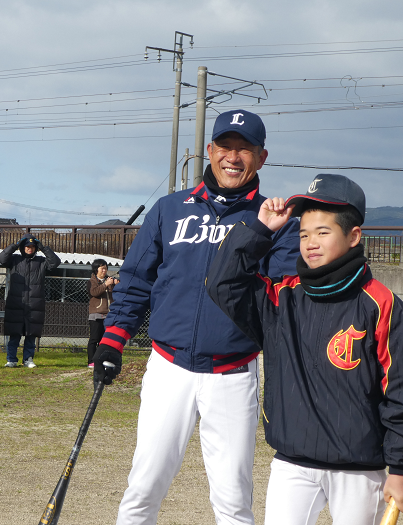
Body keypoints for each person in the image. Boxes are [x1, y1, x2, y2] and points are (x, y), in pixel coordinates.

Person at [93, 109, 300, 525]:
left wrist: (259, 233)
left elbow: (280, 300)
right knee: (143, 488)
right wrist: (113, 339)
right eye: (225, 146)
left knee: (233, 501)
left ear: (262, 158)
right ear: (210, 151)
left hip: (233, 372)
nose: (233, 157)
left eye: (245, 149)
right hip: (169, 367)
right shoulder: (170, 209)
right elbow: (136, 280)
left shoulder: (276, 221)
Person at [206, 173, 403, 524]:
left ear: (353, 236)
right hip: (291, 463)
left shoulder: (381, 304)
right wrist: (259, 230)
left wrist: (401, 466)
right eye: (303, 234)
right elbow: (222, 283)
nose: (310, 243)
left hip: (360, 470)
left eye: (323, 232)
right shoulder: (280, 298)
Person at [0, 234, 61, 368]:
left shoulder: (41, 262)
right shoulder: (14, 260)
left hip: (34, 304)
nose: (29, 249)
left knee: (31, 334)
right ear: (22, 248)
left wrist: (43, 248)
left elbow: (55, 262)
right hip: (16, 303)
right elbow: (1, 259)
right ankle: (11, 359)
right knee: (14, 334)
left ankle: (28, 359)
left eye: (32, 246)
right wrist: (14, 245)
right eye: (26, 246)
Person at [86, 258, 117, 369]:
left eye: (105, 268)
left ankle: (103, 360)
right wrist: (105, 285)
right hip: (96, 314)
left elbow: (115, 295)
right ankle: (91, 361)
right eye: (102, 268)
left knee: (105, 340)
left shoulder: (109, 280)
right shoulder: (92, 281)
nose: (104, 271)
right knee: (94, 339)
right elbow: (94, 292)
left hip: (109, 315)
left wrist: (115, 285)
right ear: (96, 269)